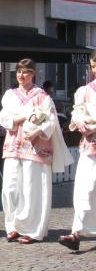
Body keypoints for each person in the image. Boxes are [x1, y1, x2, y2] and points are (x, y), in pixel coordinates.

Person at [0, 59, 72, 245]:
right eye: (18, 72)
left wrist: (37, 131)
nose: (21, 75)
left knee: (32, 189)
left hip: (35, 148)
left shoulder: (42, 96)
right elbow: (4, 118)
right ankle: (13, 225)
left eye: (25, 72)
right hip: (14, 145)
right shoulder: (10, 95)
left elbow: (51, 121)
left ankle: (32, 229)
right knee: (10, 188)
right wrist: (24, 115)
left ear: (33, 73)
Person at [59, 52, 96, 251]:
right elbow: (77, 111)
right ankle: (76, 231)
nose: (95, 70)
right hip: (90, 146)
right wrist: (80, 120)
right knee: (83, 187)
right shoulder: (84, 91)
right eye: (92, 67)